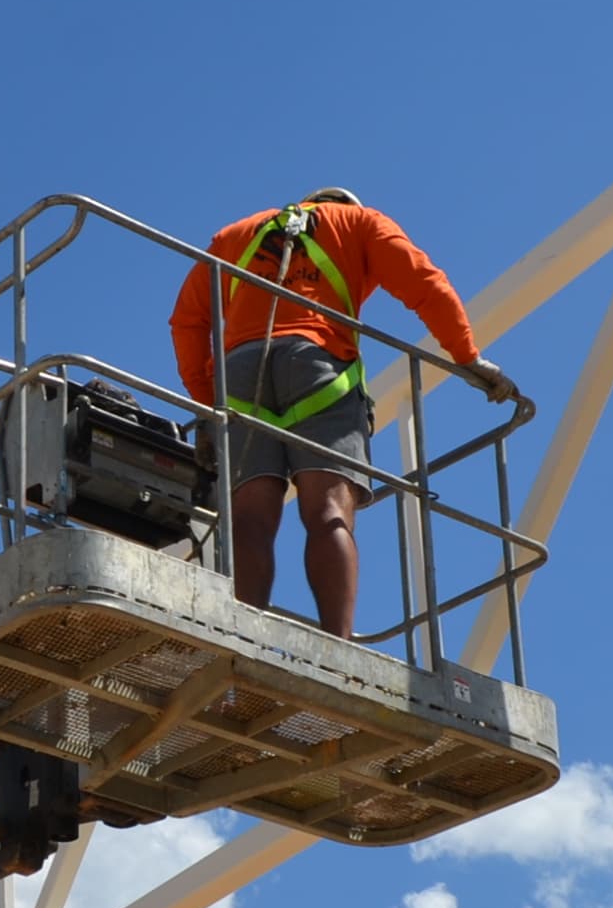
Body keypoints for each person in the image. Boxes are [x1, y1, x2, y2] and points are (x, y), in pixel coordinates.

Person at [168, 188, 513, 638]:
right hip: (319, 366)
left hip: (239, 377)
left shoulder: (236, 235)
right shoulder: (360, 223)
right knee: (328, 511)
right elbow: (424, 282)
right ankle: (337, 646)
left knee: (250, 517)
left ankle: (239, 639)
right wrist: (467, 357)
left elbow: (187, 321)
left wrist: (207, 404)